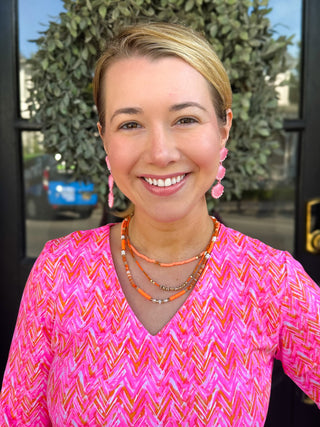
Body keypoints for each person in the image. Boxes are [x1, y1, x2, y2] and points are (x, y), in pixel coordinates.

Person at [1, 21, 319, 426]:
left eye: (185, 119)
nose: (160, 152)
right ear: (104, 138)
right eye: (130, 124)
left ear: (224, 128)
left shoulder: (272, 282)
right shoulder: (59, 272)